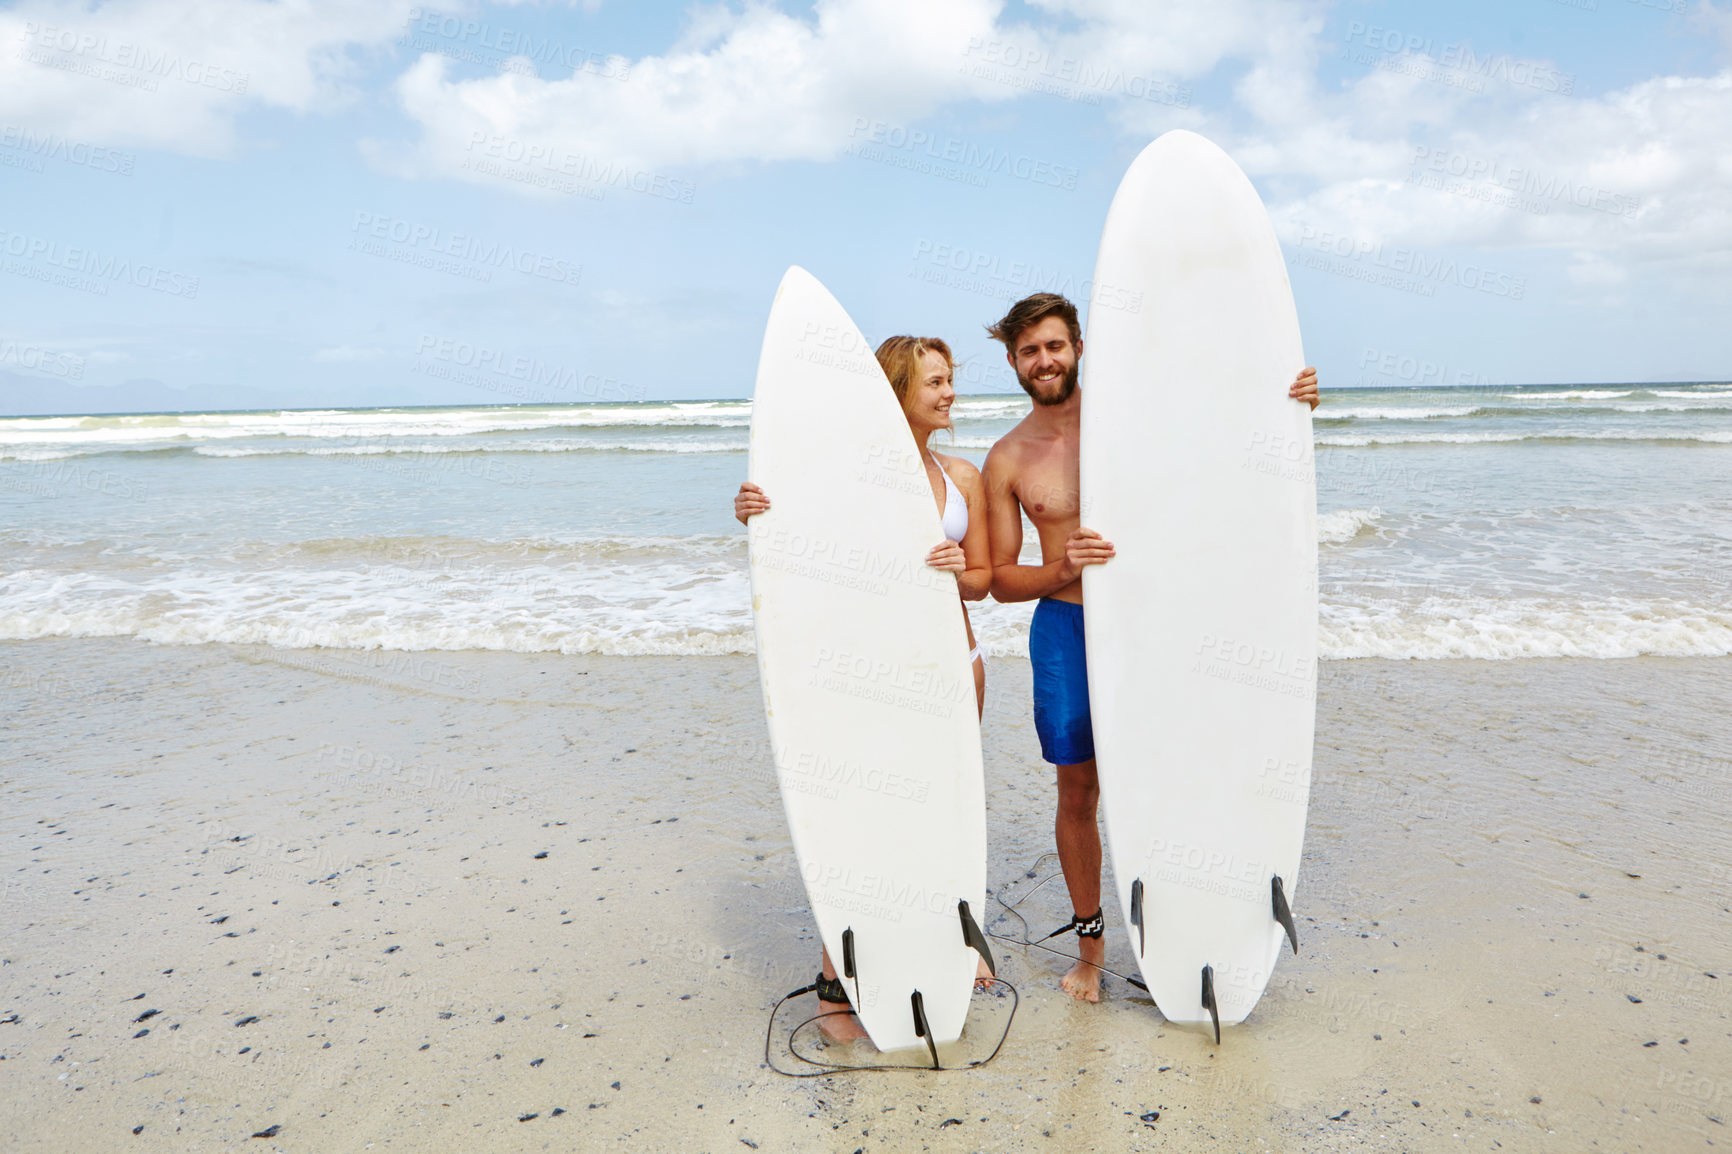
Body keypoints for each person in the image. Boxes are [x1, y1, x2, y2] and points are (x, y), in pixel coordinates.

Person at [981, 293, 1320, 1003]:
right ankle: (1091, 949)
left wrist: (1289, 404)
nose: (1044, 361)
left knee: (1178, 770)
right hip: (1065, 628)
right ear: (1013, 362)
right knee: (1078, 791)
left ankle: (1194, 927)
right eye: (1028, 351)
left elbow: (1227, 451)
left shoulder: (1136, 424)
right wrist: (1061, 568)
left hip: (1152, 626)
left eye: (1054, 345)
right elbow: (1001, 582)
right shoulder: (1008, 458)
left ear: (1078, 347)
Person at [734, 334, 992, 1043]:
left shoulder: (962, 476)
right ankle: (840, 967)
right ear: (899, 391)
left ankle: (955, 948)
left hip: (954, 659)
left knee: (949, 805)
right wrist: (755, 506)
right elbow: (799, 542)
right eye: (933, 382)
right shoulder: (848, 478)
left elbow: (986, 580)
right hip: (878, 672)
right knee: (865, 808)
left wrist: (957, 563)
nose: (948, 393)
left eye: (949, 380)